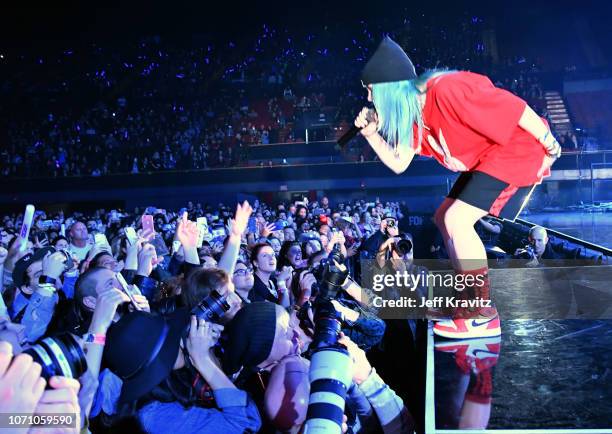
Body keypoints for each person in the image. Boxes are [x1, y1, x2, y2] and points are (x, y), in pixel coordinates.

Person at [356, 37, 562, 339]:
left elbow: (515, 108)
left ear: (389, 87)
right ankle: (467, 302)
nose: (370, 99)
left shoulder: (446, 88)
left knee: (457, 220)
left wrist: (548, 141)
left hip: (516, 148)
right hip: (488, 159)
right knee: (443, 217)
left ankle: (481, 312)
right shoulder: (413, 117)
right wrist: (372, 135)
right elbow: (400, 163)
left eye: (371, 89)